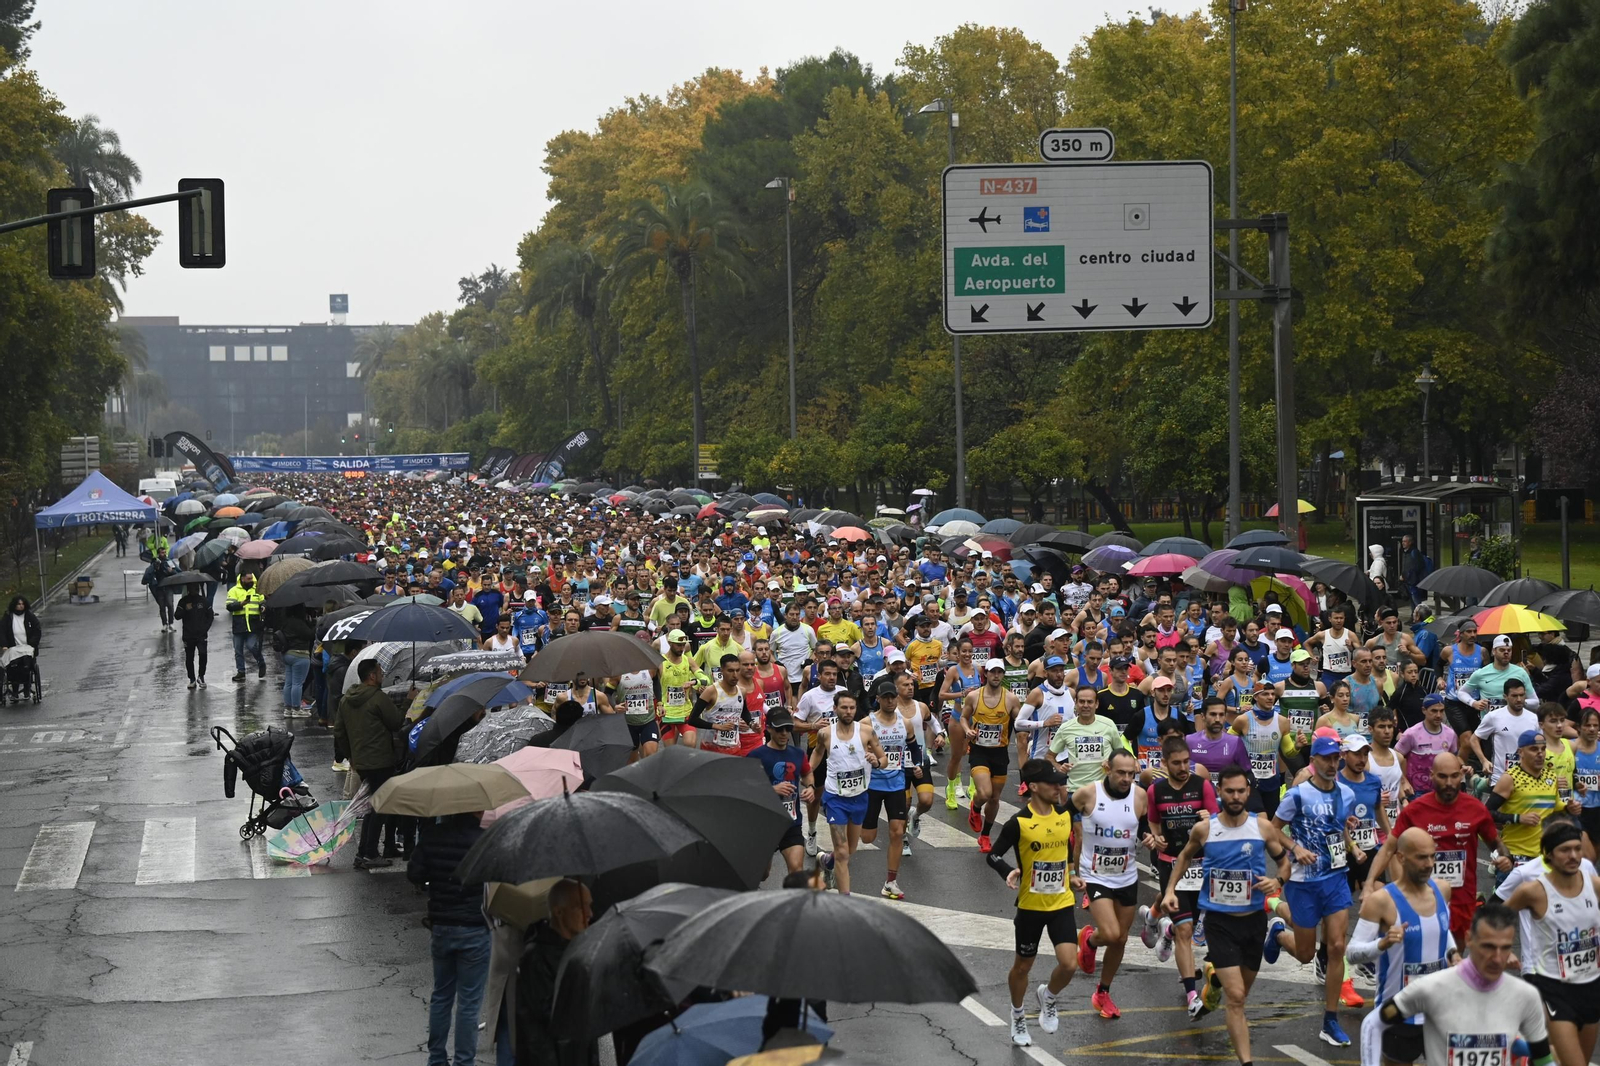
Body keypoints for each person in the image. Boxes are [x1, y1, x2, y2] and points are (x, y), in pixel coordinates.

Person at [1160, 765, 1288, 1062]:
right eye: (1229, 791)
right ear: (1219, 792)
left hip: (1254, 923)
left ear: (1248, 792)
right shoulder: (1206, 829)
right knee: (1237, 998)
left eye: (1241, 791)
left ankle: (1212, 980)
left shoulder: (1262, 827)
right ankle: (1246, 1061)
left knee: (1242, 991)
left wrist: (1278, 881)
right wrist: (1169, 890)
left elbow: (1285, 864)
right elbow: (1183, 857)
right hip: (1219, 924)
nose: (1235, 796)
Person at [1267, 734, 1366, 1047]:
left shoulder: (1347, 794)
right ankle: (1279, 932)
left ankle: (1330, 1020)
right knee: (1307, 953)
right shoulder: (1297, 795)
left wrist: (1353, 846)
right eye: (1326, 758)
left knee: (1337, 946)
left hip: (1336, 877)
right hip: (1303, 882)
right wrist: (1294, 848)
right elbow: (1271, 828)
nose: (1332, 764)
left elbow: (1338, 829)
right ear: (1314, 761)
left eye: (1336, 758)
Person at [1378, 905, 1552, 1066]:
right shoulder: (1430, 988)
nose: (1498, 958)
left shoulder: (1527, 996)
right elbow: (1378, 1020)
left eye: (1505, 948)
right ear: (1469, 939)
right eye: (1488, 947)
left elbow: (1544, 1059)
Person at [1364, 753, 1506, 950]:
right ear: (1431, 775)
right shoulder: (1416, 810)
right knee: (1422, 954)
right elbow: (1389, 848)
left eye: (1454, 776)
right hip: (1421, 898)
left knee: (1454, 957)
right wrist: (1369, 883)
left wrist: (1504, 859)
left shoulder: (1476, 809)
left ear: (1461, 776)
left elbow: (1497, 845)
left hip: (1461, 900)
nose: (1449, 782)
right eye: (1442, 776)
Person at [985, 759, 1080, 1049]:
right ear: (1034, 787)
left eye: (1059, 782)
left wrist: (1071, 874)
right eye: (1053, 783)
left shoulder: (1063, 815)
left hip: (1062, 902)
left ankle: (1048, 997)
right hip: (1030, 906)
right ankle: (1017, 1015)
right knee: (1022, 967)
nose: (1059, 787)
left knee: (1069, 963)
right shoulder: (1019, 823)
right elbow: (992, 854)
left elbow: (1066, 844)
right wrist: (1008, 871)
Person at [1349, 827, 1456, 1066]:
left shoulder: (1442, 890)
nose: (1429, 863)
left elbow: (1442, 929)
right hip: (1398, 1013)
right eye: (1421, 857)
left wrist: (1453, 952)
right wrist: (1381, 944)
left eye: (1432, 856)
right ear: (1401, 858)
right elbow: (1352, 953)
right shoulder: (1381, 901)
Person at [1500, 820, 1600, 1066]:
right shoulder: (1533, 891)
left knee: (1578, 1061)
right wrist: (1501, 951)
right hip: (1553, 987)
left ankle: (1526, 1052)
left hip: (1591, 985)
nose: (1574, 855)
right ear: (1549, 854)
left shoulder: (1594, 884)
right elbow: (1494, 920)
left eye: (1578, 848)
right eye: (1566, 850)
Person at [1139, 733, 1220, 1013]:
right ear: (1165, 763)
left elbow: (1218, 821)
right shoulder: (1156, 791)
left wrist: (1211, 818)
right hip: (1171, 863)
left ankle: (1166, 928)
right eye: (1177, 763)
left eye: (1187, 761)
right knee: (1187, 930)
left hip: (1201, 864)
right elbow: (1152, 823)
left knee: (1189, 923)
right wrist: (1155, 838)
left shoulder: (1203, 786)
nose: (1184, 767)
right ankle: (1191, 997)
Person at [1072, 748, 1148, 1020]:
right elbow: (1060, 817)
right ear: (1107, 768)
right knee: (1113, 933)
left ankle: (1102, 991)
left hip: (1126, 876)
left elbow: (1147, 826)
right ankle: (1092, 940)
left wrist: (1151, 837)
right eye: (1121, 773)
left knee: (1121, 938)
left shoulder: (1140, 796)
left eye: (1131, 773)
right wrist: (1070, 866)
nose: (1127, 778)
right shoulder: (1088, 793)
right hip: (1095, 875)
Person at [409, 812, 490, 1066]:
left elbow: (414, 874)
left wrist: (432, 880)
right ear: (476, 810)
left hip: (442, 925)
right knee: (469, 1002)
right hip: (475, 928)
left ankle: (436, 1059)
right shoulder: (484, 840)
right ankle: (464, 1062)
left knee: (441, 995)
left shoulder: (432, 836)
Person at [516, 879, 598, 1066]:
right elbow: (550, 1017)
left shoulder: (579, 948)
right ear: (559, 912)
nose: (589, 914)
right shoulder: (535, 957)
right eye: (581, 907)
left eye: (590, 906)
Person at [336, 658, 407, 869]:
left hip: (362, 762)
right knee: (380, 806)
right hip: (381, 760)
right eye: (380, 671)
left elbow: (339, 731)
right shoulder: (377, 698)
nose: (383, 674)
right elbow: (396, 721)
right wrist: (408, 701)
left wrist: (352, 756)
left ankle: (363, 852)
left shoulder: (346, 700)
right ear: (372, 676)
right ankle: (370, 853)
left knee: (372, 806)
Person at [812, 689, 885, 894]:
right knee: (843, 854)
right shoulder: (826, 733)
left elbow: (884, 759)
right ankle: (845, 900)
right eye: (844, 707)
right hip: (835, 798)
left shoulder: (866, 732)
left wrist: (876, 761)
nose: (848, 711)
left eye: (852, 707)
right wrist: (807, 774)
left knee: (850, 850)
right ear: (835, 709)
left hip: (860, 797)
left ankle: (827, 861)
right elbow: (817, 754)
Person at [1489, 730, 1581, 881]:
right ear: (1521, 752)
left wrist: (1568, 807)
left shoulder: (1551, 776)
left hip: (1543, 857)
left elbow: (1555, 805)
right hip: (1514, 855)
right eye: (1533, 749)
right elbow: (1487, 812)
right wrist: (1518, 818)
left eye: (1543, 749)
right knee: (1508, 904)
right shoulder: (1510, 778)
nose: (1540, 753)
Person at [861, 676, 912, 898]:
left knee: (897, 832)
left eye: (894, 697)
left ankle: (891, 881)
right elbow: (855, 750)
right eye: (886, 698)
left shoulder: (905, 723)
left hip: (896, 784)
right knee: (867, 838)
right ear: (879, 699)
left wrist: (917, 766)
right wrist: (867, 756)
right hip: (872, 785)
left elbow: (913, 749)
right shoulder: (866, 723)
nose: (891, 701)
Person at [963, 658, 1020, 853]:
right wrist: (967, 730)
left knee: (995, 798)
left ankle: (985, 835)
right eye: (993, 672)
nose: (996, 676)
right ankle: (976, 806)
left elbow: (1020, 722)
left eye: (1000, 672)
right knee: (985, 793)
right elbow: (963, 718)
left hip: (1000, 752)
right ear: (985, 674)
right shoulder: (974, 697)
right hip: (979, 750)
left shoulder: (1011, 699)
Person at [748, 708, 814, 876]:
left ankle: (790, 903)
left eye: (788, 728)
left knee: (796, 870)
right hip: (764, 824)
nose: (784, 733)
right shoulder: (756, 756)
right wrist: (771, 790)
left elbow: (807, 773)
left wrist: (810, 787)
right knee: (762, 874)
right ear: (768, 728)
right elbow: (744, 788)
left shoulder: (798, 754)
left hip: (791, 822)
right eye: (779, 729)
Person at [225, 570, 267, 682]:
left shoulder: (257, 590)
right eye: (249, 579)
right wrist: (240, 604)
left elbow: (263, 601)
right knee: (238, 650)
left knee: (252, 646)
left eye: (252, 579)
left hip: (253, 625)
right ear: (242, 579)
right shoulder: (234, 591)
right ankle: (241, 672)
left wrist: (263, 606)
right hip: (239, 625)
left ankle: (261, 662)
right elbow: (229, 606)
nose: (251, 581)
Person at [174, 586, 213, 689]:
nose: (194, 591)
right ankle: (192, 679)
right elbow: (177, 616)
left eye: (196, 588)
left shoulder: (204, 601)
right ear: (188, 590)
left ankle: (201, 676)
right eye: (192, 588)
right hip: (188, 635)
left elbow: (210, 615)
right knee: (189, 658)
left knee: (203, 654)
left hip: (201, 635)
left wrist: (205, 629)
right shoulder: (183, 601)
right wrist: (185, 610)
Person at [141, 547, 179, 630]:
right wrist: (155, 568)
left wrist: (171, 571)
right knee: (162, 606)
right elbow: (149, 574)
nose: (164, 554)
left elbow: (176, 572)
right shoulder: (154, 564)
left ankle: (171, 623)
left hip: (168, 586)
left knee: (170, 605)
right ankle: (164, 624)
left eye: (165, 552)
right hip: (159, 588)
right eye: (162, 552)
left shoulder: (169, 562)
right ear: (158, 554)